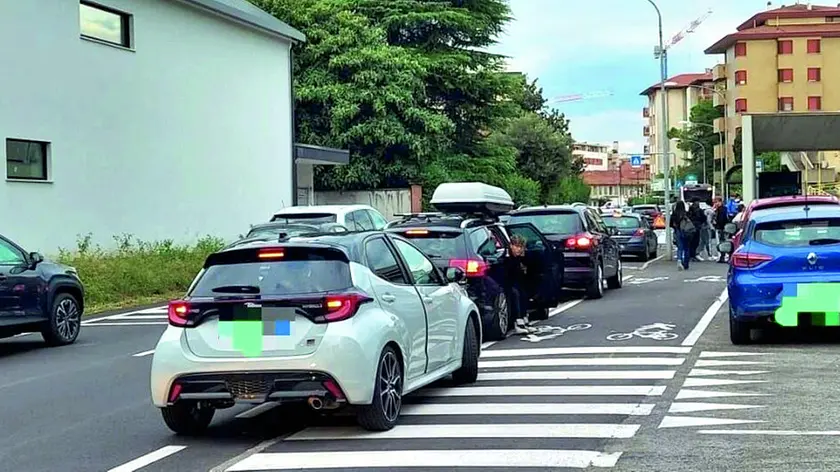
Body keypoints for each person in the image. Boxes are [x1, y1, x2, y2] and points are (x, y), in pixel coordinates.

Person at [506, 235, 531, 333]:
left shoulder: (518, 259)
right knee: (516, 294)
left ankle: (524, 318)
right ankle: (517, 321)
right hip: (507, 284)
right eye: (517, 246)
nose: (519, 249)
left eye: (521, 247)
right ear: (511, 246)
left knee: (523, 293)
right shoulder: (508, 258)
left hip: (515, 283)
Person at [670, 200, 694, 270]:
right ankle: (686, 263)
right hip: (686, 232)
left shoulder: (674, 214)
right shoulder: (686, 214)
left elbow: (670, 224)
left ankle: (679, 260)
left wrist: (675, 227)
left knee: (680, 248)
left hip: (678, 231)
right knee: (686, 247)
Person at [712, 196, 730, 263]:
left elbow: (721, 219)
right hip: (723, 227)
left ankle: (722, 256)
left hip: (720, 227)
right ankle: (723, 256)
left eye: (716, 202)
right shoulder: (723, 209)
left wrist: (717, 225)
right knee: (722, 241)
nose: (715, 204)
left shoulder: (720, 209)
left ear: (720, 202)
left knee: (720, 242)